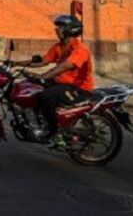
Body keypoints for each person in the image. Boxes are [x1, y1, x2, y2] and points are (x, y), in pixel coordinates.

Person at [12, 14, 95, 149]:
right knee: (32, 87)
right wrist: (15, 64)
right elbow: (43, 61)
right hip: (62, 84)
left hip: (78, 89)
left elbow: (65, 66)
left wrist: (44, 76)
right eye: (57, 27)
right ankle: (39, 121)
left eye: (60, 27)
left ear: (70, 29)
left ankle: (55, 133)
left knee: (47, 96)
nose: (57, 30)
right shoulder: (59, 47)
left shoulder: (80, 49)